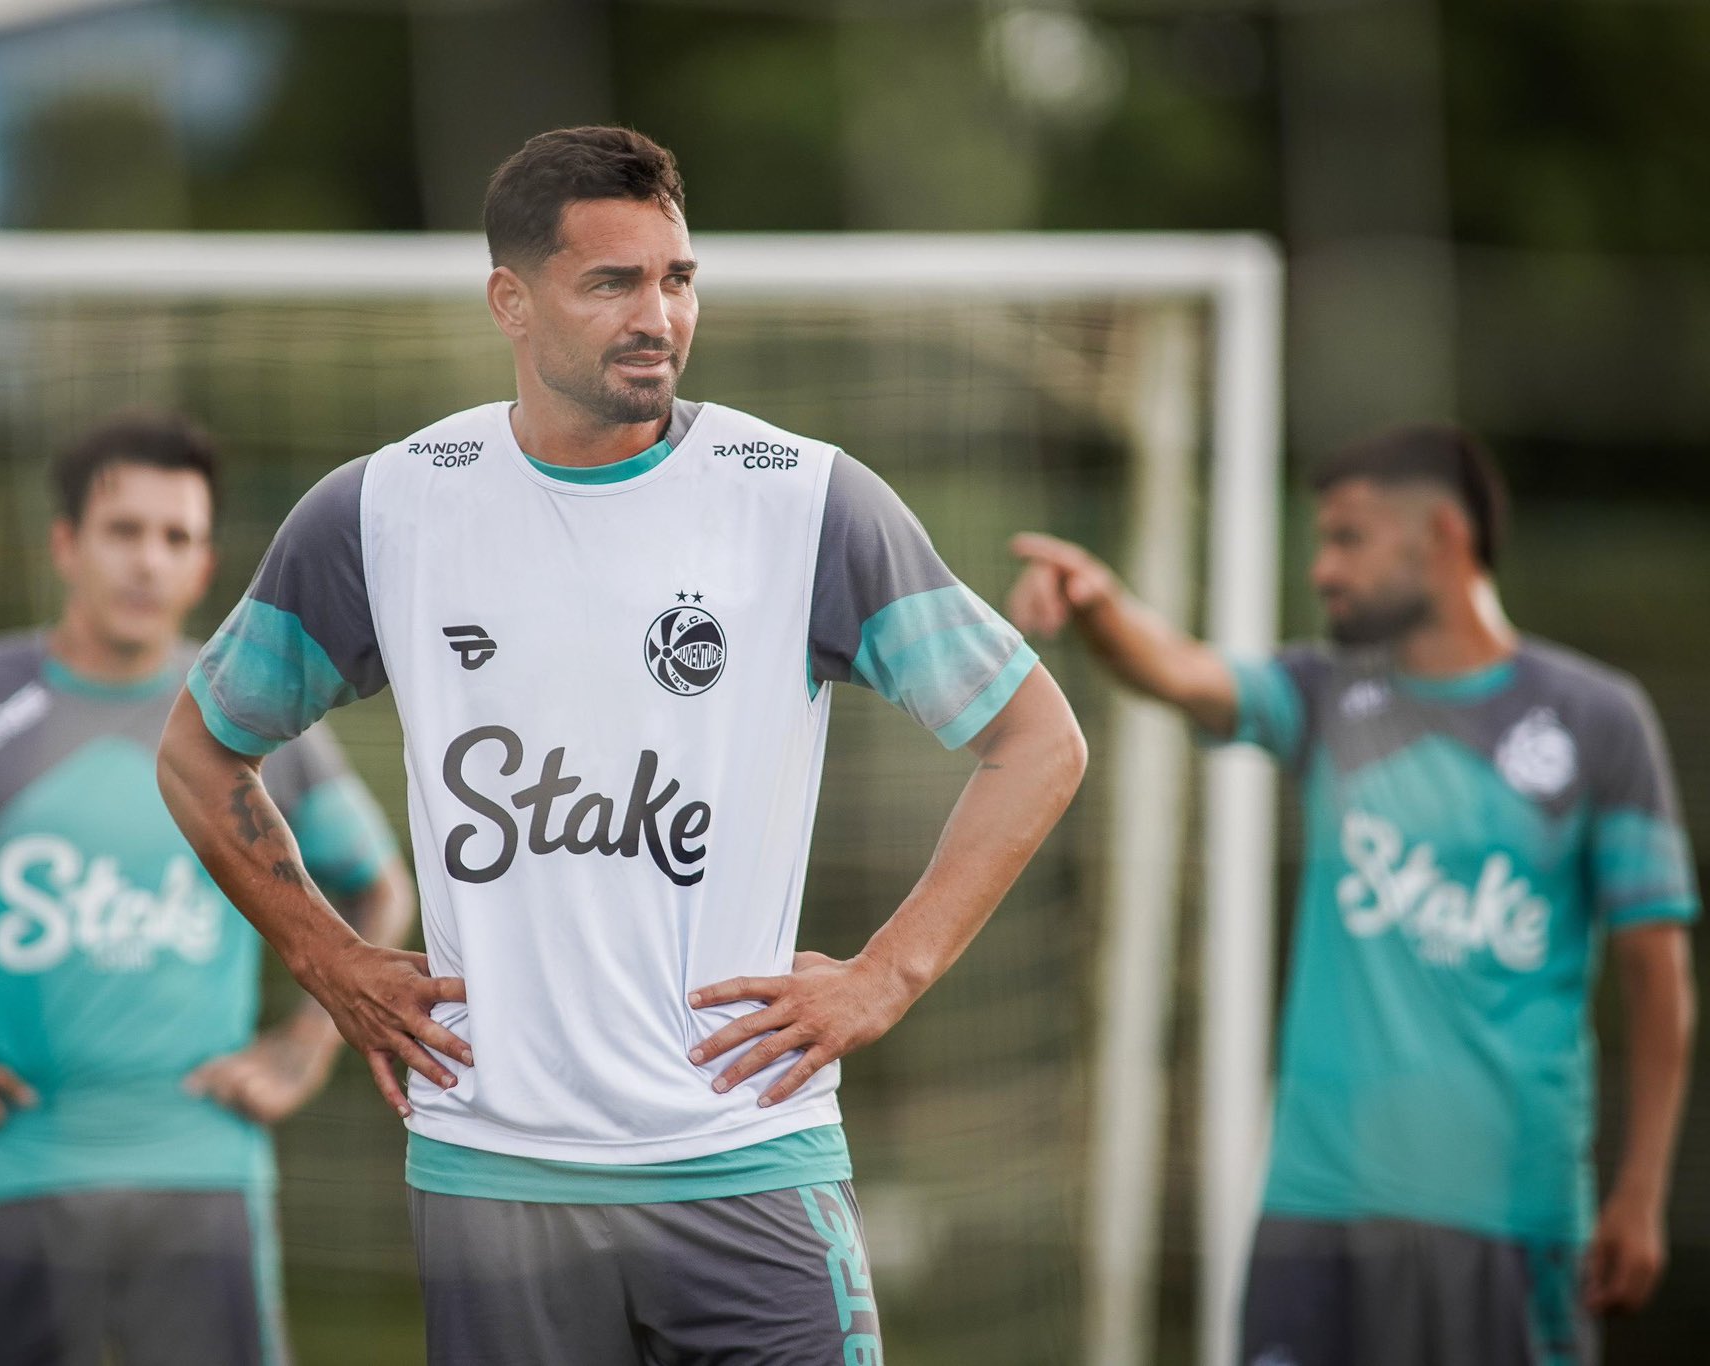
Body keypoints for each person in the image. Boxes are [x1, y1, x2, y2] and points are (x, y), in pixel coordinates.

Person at [158, 125, 1088, 1365]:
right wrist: (328, 959)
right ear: (511, 299)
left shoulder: (800, 500)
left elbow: (1035, 740)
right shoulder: (384, 510)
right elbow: (198, 750)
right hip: (496, 1173)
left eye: (677, 278)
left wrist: (886, 974)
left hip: (745, 1155)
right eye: (611, 282)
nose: (656, 314)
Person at [1005, 425, 1697, 1365]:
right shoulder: (1327, 696)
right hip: (1315, 1213)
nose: (1323, 568)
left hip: (1509, 1218)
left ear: (1439, 538)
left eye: (1348, 539)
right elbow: (1184, 671)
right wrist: (1100, 605)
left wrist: (1641, 1189)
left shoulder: (1596, 720)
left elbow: (1657, 973)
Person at [0, 412, 413, 1366]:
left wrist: (308, 1044)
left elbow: (379, 886)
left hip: (202, 1176)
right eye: (124, 531)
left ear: (203, 565)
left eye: (175, 538)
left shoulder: (252, 718)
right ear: (66, 545)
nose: (149, 561)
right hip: (9, 1183)